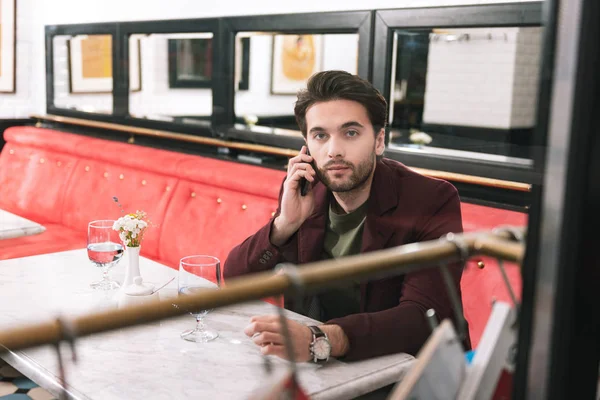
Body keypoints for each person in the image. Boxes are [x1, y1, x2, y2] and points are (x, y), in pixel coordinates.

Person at [223, 70, 471, 363]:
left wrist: (321, 339)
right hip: (327, 364)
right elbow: (235, 279)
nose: (334, 151)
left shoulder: (431, 199)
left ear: (378, 141)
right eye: (320, 136)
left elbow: (422, 317)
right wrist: (284, 225)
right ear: (306, 146)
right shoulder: (305, 188)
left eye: (350, 133)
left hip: (411, 370)